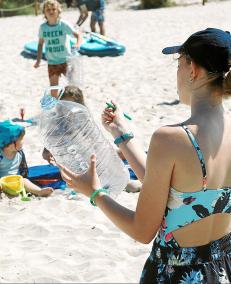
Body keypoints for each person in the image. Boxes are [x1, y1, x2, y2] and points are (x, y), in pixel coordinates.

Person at [58, 28, 231, 282]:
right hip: (221, 270)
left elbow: (142, 231)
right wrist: (122, 135)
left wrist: (95, 193)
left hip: (177, 273)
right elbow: (172, 194)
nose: (177, 74)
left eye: (179, 65)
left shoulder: (171, 138)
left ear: (192, 69)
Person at [42, 85, 141, 192]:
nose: (68, 109)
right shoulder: (56, 121)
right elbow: (49, 144)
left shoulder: (82, 117)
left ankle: (126, 181)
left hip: (91, 156)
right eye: (66, 104)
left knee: (118, 156)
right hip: (75, 160)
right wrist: (47, 153)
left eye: (71, 105)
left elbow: (95, 141)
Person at [34, 0, 82, 98]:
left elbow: (78, 35)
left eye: (53, 9)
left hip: (66, 60)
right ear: (44, 12)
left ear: (58, 11)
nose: (51, 12)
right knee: (53, 87)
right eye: (48, 10)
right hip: (52, 62)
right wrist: (38, 61)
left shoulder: (63, 25)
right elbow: (40, 44)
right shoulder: (43, 28)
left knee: (72, 86)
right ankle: (54, 106)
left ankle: (74, 104)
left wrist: (77, 44)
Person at [0, 120, 53, 197]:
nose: (23, 142)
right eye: (21, 140)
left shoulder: (19, 153)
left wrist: (21, 178)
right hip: (2, 182)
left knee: (25, 181)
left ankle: (39, 191)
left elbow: (23, 170)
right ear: (10, 143)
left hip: (16, 181)